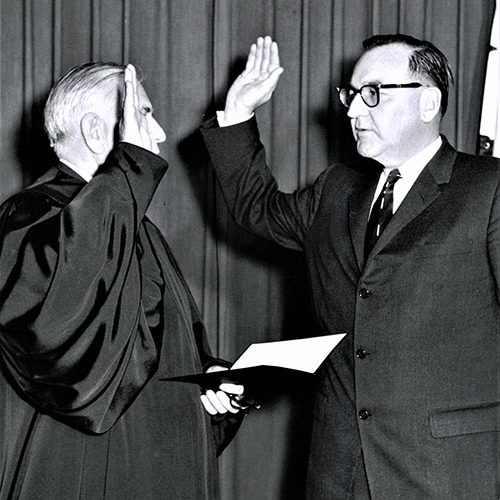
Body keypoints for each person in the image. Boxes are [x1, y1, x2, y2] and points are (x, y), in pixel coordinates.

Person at [201, 35, 500, 498]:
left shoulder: (488, 189)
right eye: (351, 94)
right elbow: (255, 208)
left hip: (448, 474)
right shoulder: (335, 190)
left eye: (373, 94)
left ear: (428, 102)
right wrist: (239, 112)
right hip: (339, 472)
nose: (353, 110)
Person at [0, 62, 246, 500]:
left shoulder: (135, 226)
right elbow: (57, 336)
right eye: (144, 114)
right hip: (89, 468)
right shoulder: (32, 214)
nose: (160, 134)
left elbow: (163, 342)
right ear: (97, 131)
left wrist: (209, 377)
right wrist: (132, 165)